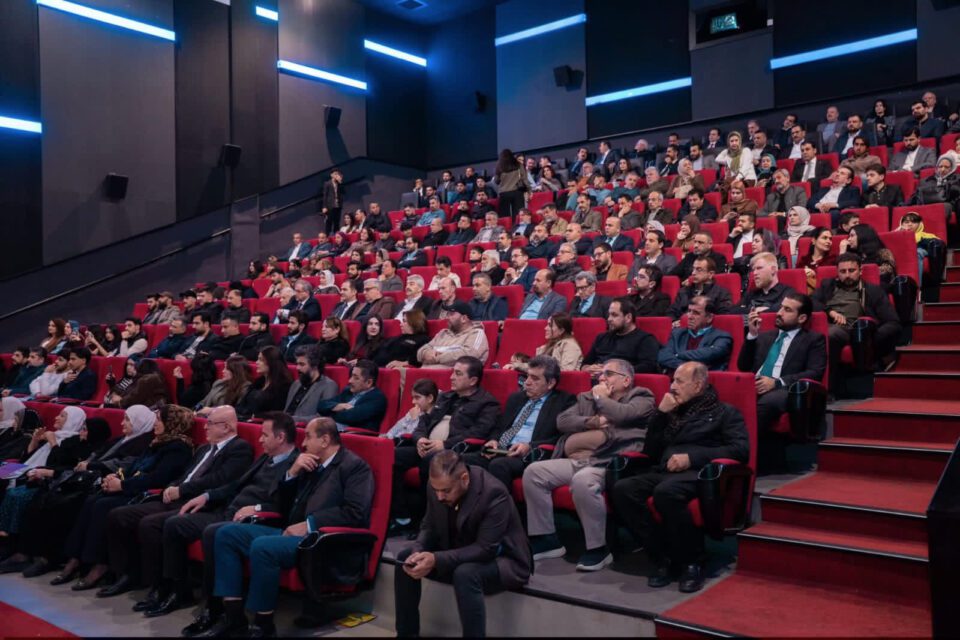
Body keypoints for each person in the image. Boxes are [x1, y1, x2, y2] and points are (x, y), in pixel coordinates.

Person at [203, 417, 372, 638]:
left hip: (320, 541)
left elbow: (355, 513)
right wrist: (292, 472)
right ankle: (234, 618)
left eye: (308, 437)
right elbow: (282, 506)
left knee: (263, 546)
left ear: (325, 440)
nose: (303, 443)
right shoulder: (309, 462)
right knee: (226, 534)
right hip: (290, 531)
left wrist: (310, 524)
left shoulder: (354, 467)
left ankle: (263, 625)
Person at [130, 415, 297, 620]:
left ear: (280, 437)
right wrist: (208, 496)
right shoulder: (266, 457)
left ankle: (213, 606)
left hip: (251, 519)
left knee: (212, 532)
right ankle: (177, 591)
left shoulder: (295, 465)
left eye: (265, 435)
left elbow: (287, 505)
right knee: (174, 524)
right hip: (227, 509)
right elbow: (235, 485)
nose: (260, 439)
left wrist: (257, 508)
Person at [612, 361, 749, 593]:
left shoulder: (725, 412)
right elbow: (650, 451)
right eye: (672, 380)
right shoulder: (671, 410)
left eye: (679, 381)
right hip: (664, 471)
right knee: (623, 489)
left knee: (666, 493)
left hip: (700, 473)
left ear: (698, 385)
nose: (672, 386)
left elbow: (740, 450)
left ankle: (692, 561)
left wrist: (692, 458)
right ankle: (662, 555)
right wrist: (660, 415)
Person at [93, 406, 254, 599]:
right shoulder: (204, 449)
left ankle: (162, 585)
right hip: (178, 497)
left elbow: (218, 479)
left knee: (150, 524)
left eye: (210, 423)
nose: (205, 427)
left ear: (226, 427)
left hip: (200, 503)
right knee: (119, 515)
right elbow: (185, 474)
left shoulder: (239, 449)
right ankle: (128, 573)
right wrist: (172, 487)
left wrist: (182, 490)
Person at [525, 358, 655, 571]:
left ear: (626, 380)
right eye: (600, 374)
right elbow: (563, 421)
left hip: (610, 462)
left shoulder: (641, 396)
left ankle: (598, 548)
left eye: (608, 374)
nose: (602, 378)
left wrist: (601, 398)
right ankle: (547, 539)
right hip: (580, 459)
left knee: (583, 480)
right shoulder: (586, 397)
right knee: (534, 472)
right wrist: (594, 422)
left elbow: (623, 415)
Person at [55, 404, 195, 591]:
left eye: (159, 419)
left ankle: (101, 564)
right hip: (132, 487)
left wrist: (122, 485)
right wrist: (115, 477)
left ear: (171, 423)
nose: (155, 423)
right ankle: (76, 559)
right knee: (91, 500)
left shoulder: (179, 447)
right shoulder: (157, 441)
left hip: (147, 493)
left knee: (103, 505)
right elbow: (134, 467)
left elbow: (159, 478)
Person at [5, 406, 155, 579]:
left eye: (127, 419)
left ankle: (53, 557)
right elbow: (95, 457)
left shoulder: (142, 444)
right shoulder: (121, 439)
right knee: (43, 498)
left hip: (102, 481)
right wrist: (86, 464)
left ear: (139, 422)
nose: (122, 423)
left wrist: (88, 465)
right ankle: (26, 551)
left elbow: (121, 465)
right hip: (86, 477)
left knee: (64, 504)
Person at [395, 450, 531, 638]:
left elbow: (485, 549)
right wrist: (418, 551)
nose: (439, 496)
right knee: (406, 558)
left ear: (464, 479)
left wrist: (436, 559)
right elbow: (429, 526)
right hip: (457, 549)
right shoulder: (437, 485)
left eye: (446, 491)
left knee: (466, 574)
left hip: (502, 559)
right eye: (436, 490)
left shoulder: (493, 492)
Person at [391, 357, 500, 530]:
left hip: (455, 451)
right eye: (452, 372)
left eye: (458, 374)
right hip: (427, 447)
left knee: (433, 459)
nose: (451, 377)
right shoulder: (445, 397)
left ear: (473, 380)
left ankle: (426, 521)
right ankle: (401, 516)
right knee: (392, 456)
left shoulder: (487, 403)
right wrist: (419, 439)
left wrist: (445, 444)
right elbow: (423, 422)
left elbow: (478, 433)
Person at [739, 293, 827, 469]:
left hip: (785, 389)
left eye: (787, 310)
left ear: (802, 318)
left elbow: (815, 373)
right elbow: (743, 366)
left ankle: (742, 456)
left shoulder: (813, 340)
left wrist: (776, 382)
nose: (779, 312)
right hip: (753, 385)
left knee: (769, 401)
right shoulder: (764, 336)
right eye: (781, 307)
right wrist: (752, 335)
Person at [812, 253, 901, 385]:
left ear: (860, 271)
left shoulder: (873, 291)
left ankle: (828, 385)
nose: (847, 275)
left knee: (830, 334)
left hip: (852, 331)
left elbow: (893, 322)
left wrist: (870, 337)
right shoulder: (827, 285)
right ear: (837, 272)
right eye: (843, 271)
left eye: (851, 270)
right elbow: (810, 302)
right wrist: (830, 312)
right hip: (826, 324)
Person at [582, 297, 660, 374]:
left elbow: (648, 367)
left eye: (614, 315)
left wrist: (612, 370)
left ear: (628, 317)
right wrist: (587, 368)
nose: (609, 319)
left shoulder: (645, 339)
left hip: (621, 379)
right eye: (609, 315)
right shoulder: (601, 337)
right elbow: (585, 364)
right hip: (596, 377)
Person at [658, 297, 733, 373]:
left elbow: (707, 354)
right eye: (689, 311)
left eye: (696, 313)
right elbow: (663, 356)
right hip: (677, 378)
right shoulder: (677, 334)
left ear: (709, 318)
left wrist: (677, 355)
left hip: (705, 379)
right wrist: (687, 367)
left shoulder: (721, 337)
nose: (690, 316)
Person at [316, 360, 387, 433]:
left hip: (354, 435)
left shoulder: (377, 399)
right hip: (334, 430)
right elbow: (321, 405)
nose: (350, 381)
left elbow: (350, 417)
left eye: (356, 378)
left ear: (369, 382)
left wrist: (329, 412)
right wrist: (338, 406)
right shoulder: (348, 391)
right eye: (351, 376)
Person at [418, 301, 489, 368]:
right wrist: (425, 353)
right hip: (425, 372)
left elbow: (469, 355)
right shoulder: (443, 333)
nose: (447, 317)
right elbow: (422, 349)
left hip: (450, 374)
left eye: (451, 314)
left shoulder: (476, 333)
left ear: (464, 318)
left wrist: (437, 358)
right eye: (447, 314)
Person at [236, 347, 293, 421]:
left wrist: (254, 416)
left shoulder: (284, 386)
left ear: (271, 362)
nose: (256, 362)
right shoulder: (258, 382)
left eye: (261, 360)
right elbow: (242, 404)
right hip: (245, 418)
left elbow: (276, 412)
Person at [669, 257, 734, 321]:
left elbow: (723, 317)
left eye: (699, 270)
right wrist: (674, 321)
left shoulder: (721, 293)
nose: (693, 273)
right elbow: (671, 312)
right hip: (681, 326)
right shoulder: (683, 291)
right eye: (693, 269)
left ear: (710, 274)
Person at [320, 168, 344, 235]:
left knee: (337, 222)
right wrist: (324, 206)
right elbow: (325, 195)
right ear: (331, 175)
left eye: (337, 174)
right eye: (335, 174)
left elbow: (344, 192)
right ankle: (328, 236)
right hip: (330, 206)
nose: (336, 175)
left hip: (338, 205)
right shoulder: (327, 183)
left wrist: (340, 182)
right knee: (329, 222)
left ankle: (336, 235)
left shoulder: (339, 183)